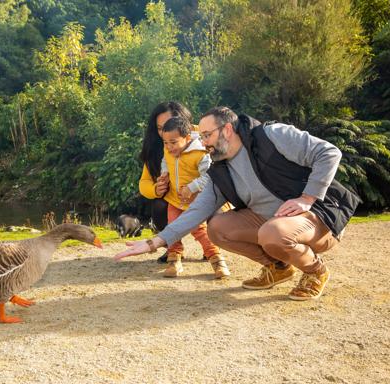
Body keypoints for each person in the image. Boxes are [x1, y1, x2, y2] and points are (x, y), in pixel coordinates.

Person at [116, 106, 361, 301]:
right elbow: (196, 212)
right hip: (274, 225)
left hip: (317, 219)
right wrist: (154, 242)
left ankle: (315, 271)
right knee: (217, 227)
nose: (203, 143)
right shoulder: (219, 170)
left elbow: (329, 153)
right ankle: (278, 267)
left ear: (228, 130)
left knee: (272, 232)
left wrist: (308, 197)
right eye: (200, 137)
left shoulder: (271, 135)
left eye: (207, 135)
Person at [158, 116, 230, 278]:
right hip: (175, 199)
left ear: (188, 138)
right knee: (172, 226)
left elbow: (209, 176)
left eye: (173, 142)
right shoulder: (168, 151)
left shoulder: (200, 153)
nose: (169, 147)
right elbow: (165, 161)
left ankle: (216, 259)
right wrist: (164, 173)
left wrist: (191, 188)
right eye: (165, 143)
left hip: (195, 201)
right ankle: (174, 257)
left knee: (199, 230)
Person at [138, 101, 193, 263]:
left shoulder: (201, 137)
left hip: (202, 197)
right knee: (160, 207)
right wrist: (156, 189)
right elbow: (144, 183)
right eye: (160, 128)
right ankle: (174, 248)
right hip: (174, 200)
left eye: (169, 125)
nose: (164, 133)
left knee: (212, 210)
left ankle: (211, 249)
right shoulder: (155, 148)